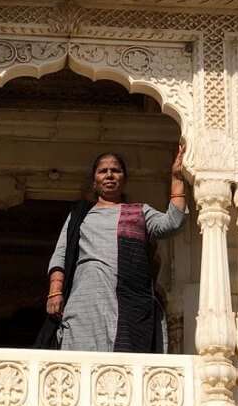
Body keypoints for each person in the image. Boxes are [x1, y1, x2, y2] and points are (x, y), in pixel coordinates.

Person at [40, 146, 187, 353]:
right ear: (94, 181)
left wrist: (177, 178)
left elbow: (172, 223)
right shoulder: (80, 215)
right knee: (80, 358)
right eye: (103, 171)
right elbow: (61, 254)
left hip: (128, 303)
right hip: (85, 299)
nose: (109, 175)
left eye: (115, 170)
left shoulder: (138, 212)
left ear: (124, 179)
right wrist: (55, 292)